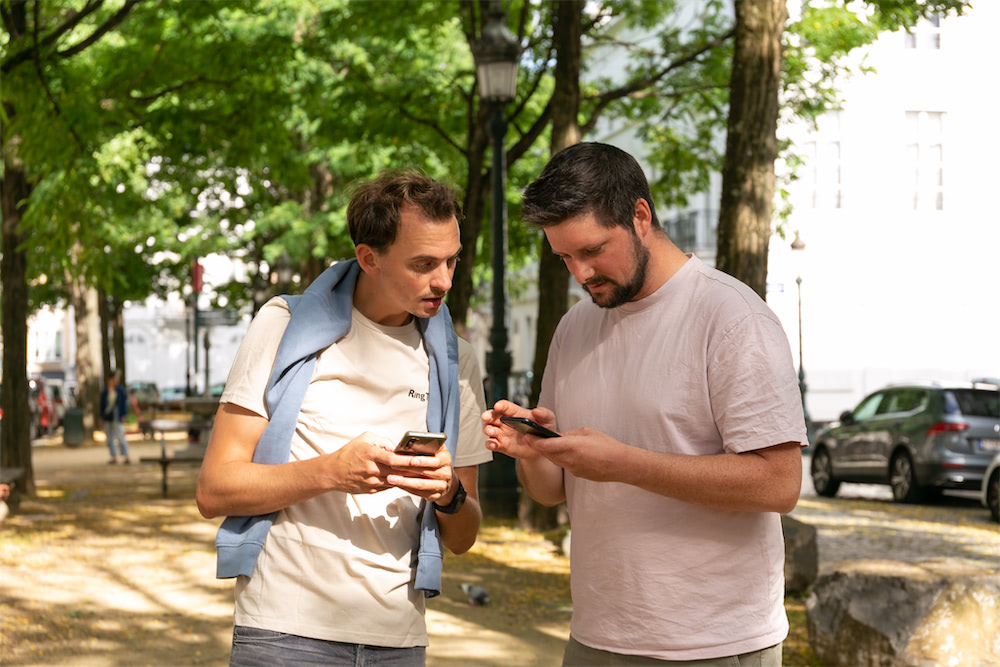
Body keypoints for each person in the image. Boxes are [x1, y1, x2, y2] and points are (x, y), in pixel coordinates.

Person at [482, 142, 807, 666]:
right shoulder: (575, 326)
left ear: (639, 216)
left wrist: (625, 464)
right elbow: (549, 494)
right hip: (594, 634)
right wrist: (535, 450)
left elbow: (778, 483)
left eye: (592, 250)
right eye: (564, 256)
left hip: (713, 643)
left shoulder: (732, 317)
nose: (580, 273)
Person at [196, 170, 492, 666]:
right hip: (283, 631)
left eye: (451, 261)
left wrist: (449, 493)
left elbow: (463, 538)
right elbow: (214, 489)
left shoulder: (455, 361)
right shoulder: (285, 325)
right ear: (368, 258)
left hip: (399, 641)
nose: (442, 280)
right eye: (422, 264)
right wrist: (332, 472)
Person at [99, 371, 130, 464]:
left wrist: (124, 415)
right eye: (115, 378)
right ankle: (114, 457)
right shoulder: (105, 391)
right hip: (108, 415)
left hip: (117, 415)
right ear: (111, 379)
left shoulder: (120, 390)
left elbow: (124, 404)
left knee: (120, 436)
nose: (117, 380)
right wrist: (100, 417)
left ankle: (126, 456)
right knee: (109, 437)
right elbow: (102, 405)